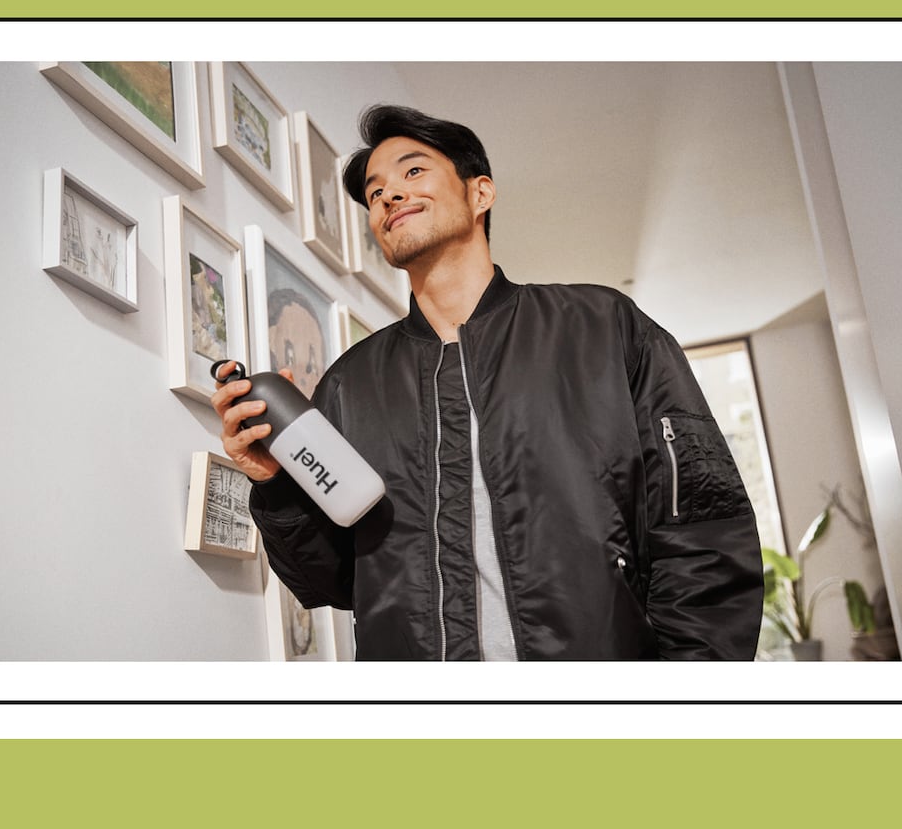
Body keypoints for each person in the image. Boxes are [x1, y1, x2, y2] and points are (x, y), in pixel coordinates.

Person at [212, 104, 762, 660]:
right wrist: (275, 484)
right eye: (375, 193)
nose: (389, 196)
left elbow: (703, 532)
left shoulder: (603, 329)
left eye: (413, 171)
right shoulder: (348, 385)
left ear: (480, 193)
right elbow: (333, 582)